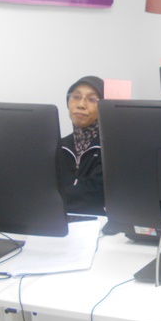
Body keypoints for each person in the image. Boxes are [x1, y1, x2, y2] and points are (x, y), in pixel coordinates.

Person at [58, 76, 105, 216]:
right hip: (58, 221)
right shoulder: (58, 146)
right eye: (76, 97)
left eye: (92, 99)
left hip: (98, 223)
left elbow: (94, 192)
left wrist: (50, 199)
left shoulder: (110, 148)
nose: (81, 105)